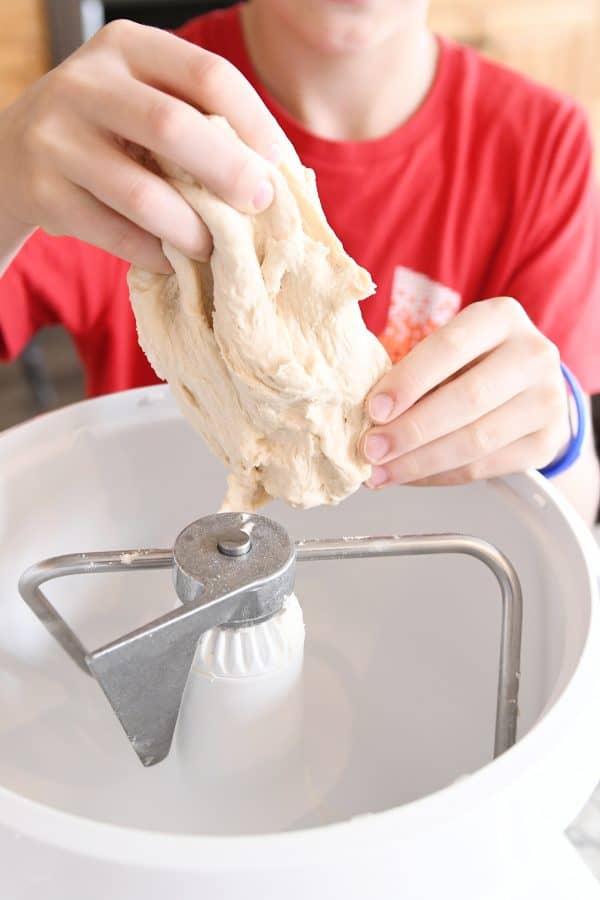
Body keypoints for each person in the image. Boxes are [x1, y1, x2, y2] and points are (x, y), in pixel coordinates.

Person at [0, 0, 598, 522]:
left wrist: (559, 438)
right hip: (149, 556)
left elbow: (572, 521)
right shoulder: (124, 128)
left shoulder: (543, 147)